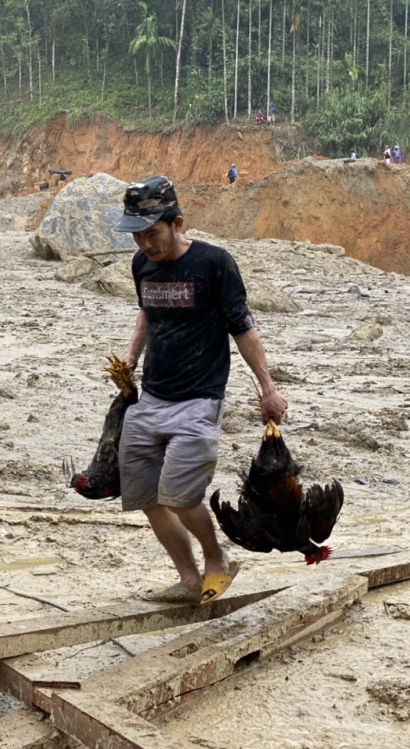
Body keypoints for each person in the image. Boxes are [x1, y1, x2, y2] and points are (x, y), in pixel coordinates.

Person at [111, 176, 288, 604]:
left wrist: (268, 387)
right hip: (152, 396)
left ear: (177, 223)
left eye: (152, 233)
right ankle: (188, 578)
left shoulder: (214, 264)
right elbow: (146, 314)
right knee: (145, 496)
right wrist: (131, 359)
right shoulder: (142, 266)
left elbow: (243, 328)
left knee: (181, 495)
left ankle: (217, 560)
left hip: (199, 400)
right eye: (137, 235)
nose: (145, 244)